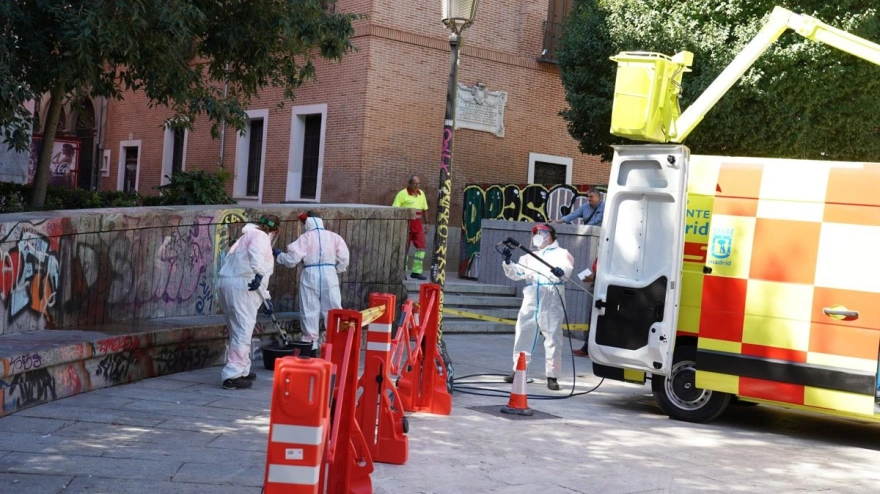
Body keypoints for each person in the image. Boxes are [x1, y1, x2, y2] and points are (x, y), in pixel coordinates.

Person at [501, 224, 574, 390]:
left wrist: (560, 271)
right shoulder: (530, 256)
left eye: (542, 232)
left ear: (551, 235)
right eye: (535, 233)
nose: (538, 236)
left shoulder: (562, 253)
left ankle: (552, 376)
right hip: (531, 296)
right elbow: (517, 273)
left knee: (553, 337)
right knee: (523, 333)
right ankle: (518, 370)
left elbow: (566, 270)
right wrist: (508, 262)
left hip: (551, 297)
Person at [217, 214, 280, 390]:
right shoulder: (261, 237)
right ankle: (232, 375)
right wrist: (258, 273)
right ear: (276, 230)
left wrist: (266, 298)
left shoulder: (245, 237)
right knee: (243, 329)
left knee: (236, 329)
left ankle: (242, 368)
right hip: (242, 286)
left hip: (227, 282)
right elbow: (256, 259)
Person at [275, 212, 350, 354]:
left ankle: (310, 349)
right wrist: (336, 269)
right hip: (329, 274)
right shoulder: (334, 237)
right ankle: (337, 347)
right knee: (333, 310)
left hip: (310, 273)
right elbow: (344, 259)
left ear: (307, 223)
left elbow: (291, 260)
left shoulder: (305, 238)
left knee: (309, 310)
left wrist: (279, 256)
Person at [392, 175, 429, 280]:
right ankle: (402, 271)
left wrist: (427, 223)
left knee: (421, 247)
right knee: (405, 248)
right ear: (409, 184)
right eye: (415, 184)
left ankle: (417, 272)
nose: (417, 186)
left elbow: (425, 209)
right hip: (406, 225)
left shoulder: (421, 194)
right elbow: (394, 210)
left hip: (418, 225)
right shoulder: (402, 194)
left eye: (418, 184)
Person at [573, 257, 598, 358]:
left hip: (601, 290)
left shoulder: (608, 256)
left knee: (594, 320)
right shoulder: (600, 257)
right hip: (596, 289)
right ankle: (587, 348)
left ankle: (587, 349)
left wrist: (594, 278)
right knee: (592, 319)